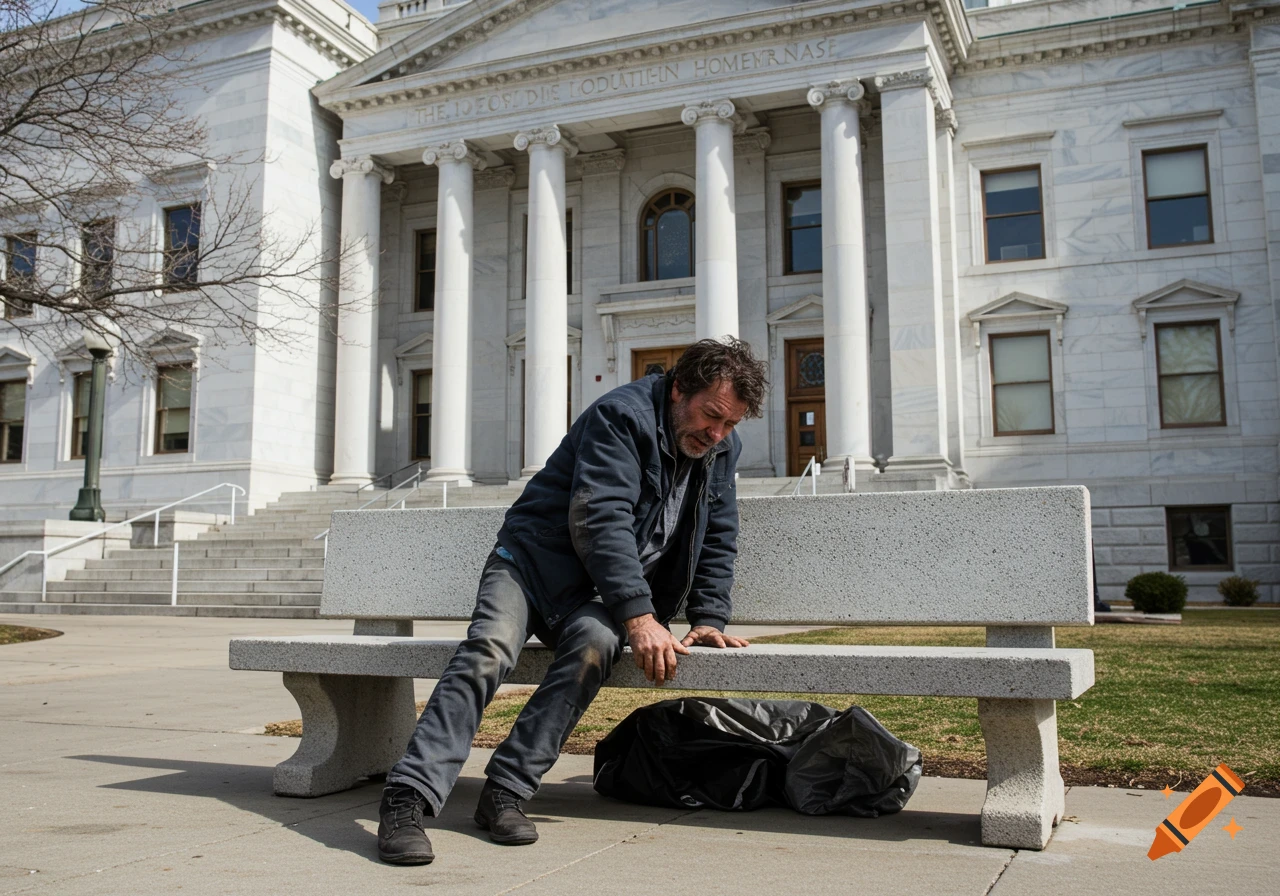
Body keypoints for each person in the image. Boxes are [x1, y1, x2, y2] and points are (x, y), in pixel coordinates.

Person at [376, 337, 769, 865]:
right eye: (711, 416)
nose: (717, 434)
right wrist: (640, 615)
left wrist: (708, 616)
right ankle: (409, 798)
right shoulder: (621, 415)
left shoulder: (720, 448)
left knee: (594, 646)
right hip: (530, 564)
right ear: (680, 389)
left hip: (593, 593)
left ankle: (506, 792)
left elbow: (718, 533)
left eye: (731, 425)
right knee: (488, 649)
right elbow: (600, 517)